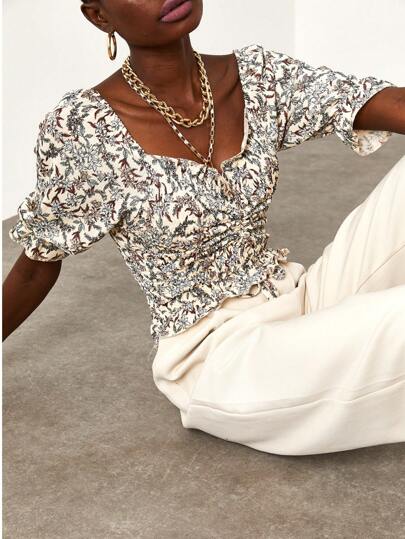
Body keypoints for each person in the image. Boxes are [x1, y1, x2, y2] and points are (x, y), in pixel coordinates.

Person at [3, 0, 405, 455]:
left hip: (300, 299)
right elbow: (36, 266)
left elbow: (381, 101)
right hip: (223, 361)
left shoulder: (256, 76)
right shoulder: (82, 129)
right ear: (100, 17)